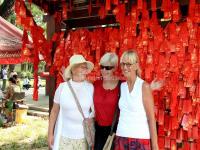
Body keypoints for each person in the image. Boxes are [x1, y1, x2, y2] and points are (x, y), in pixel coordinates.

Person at [113, 50, 159, 150]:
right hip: (121, 136)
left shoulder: (144, 86)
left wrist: (155, 146)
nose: (125, 67)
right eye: (123, 64)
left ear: (136, 65)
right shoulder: (122, 86)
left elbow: (151, 118)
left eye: (128, 64)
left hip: (140, 139)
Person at [48, 54, 95, 150]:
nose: (85, 71)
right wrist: (50, 134)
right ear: (73, 70)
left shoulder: (90, 88)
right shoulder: (62, 88)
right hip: (64, 138)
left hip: (83, 139)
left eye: (86, 68)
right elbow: (54, 112)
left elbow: (95, 111)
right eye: (82, 67)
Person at [93, 52, 120, 150]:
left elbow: (135, 95)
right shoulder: (95, 84)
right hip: (98, 131)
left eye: (108, 68)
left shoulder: (121, 85)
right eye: (102, 67)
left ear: (115, 68)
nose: (104, 70)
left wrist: (150, 88)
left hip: (115, 132)